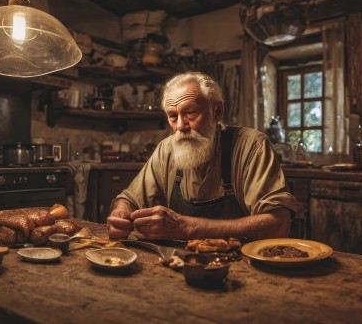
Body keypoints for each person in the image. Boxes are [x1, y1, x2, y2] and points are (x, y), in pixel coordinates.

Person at [107, 72, 299, 240]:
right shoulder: (166, 149)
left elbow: (279, 224)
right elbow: (128, 199)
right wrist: (121, 213)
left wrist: (186, 227)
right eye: (173, 116)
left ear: (217, 111)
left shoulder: (252, 145)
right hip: (180, 264)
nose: (180, 126)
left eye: (190, 113)